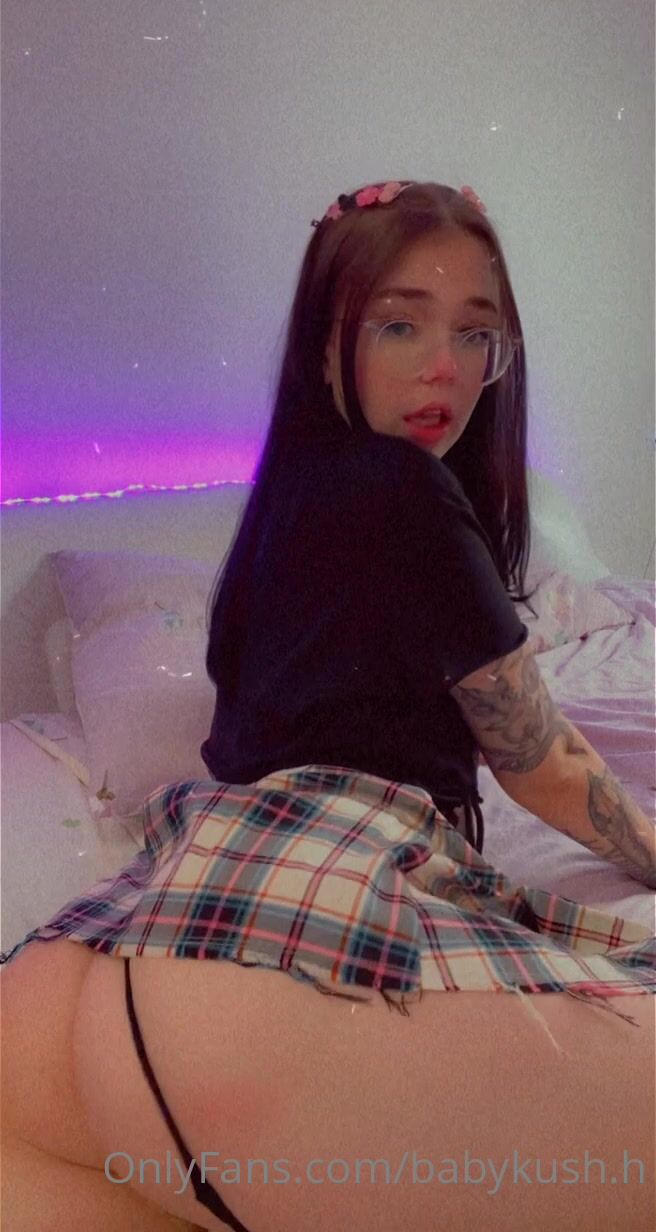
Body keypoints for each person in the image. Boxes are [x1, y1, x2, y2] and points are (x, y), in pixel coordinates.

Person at [2, 179, 654, 1232]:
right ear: (325, 345)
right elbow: (542, 760)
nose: (446, 367)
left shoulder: (279, 515)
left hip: (97, 974)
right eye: (400, 324)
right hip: (278, 965)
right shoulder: (405, 489)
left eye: (474, 332)